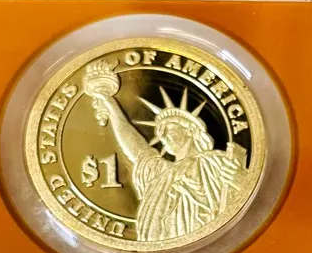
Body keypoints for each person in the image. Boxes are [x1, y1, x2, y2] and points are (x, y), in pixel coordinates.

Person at [83, 59, 247, 243]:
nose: (162, 136)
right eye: (160, 133)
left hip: (205, 242)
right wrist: (110, 103)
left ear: (190, 130)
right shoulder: (161, 173)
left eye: (168, 129)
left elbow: (249, 197)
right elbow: (135, 146)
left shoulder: (214, 162)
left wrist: (240, 179)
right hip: (156, 247)